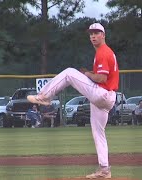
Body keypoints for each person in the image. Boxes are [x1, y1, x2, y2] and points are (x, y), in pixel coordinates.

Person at [27, 22, 118, 179]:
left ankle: (44, 97)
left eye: (97, 33)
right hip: (106, 98)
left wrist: (88, 75)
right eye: (91, 33)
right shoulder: (103, 52)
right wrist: (89, 74)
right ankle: (104, 170)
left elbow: (101, 77)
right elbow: (103, 78)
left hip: (102, 94)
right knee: (98, 133)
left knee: (69, 72)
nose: (93, 36)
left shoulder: (103, 52)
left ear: (103, 35)